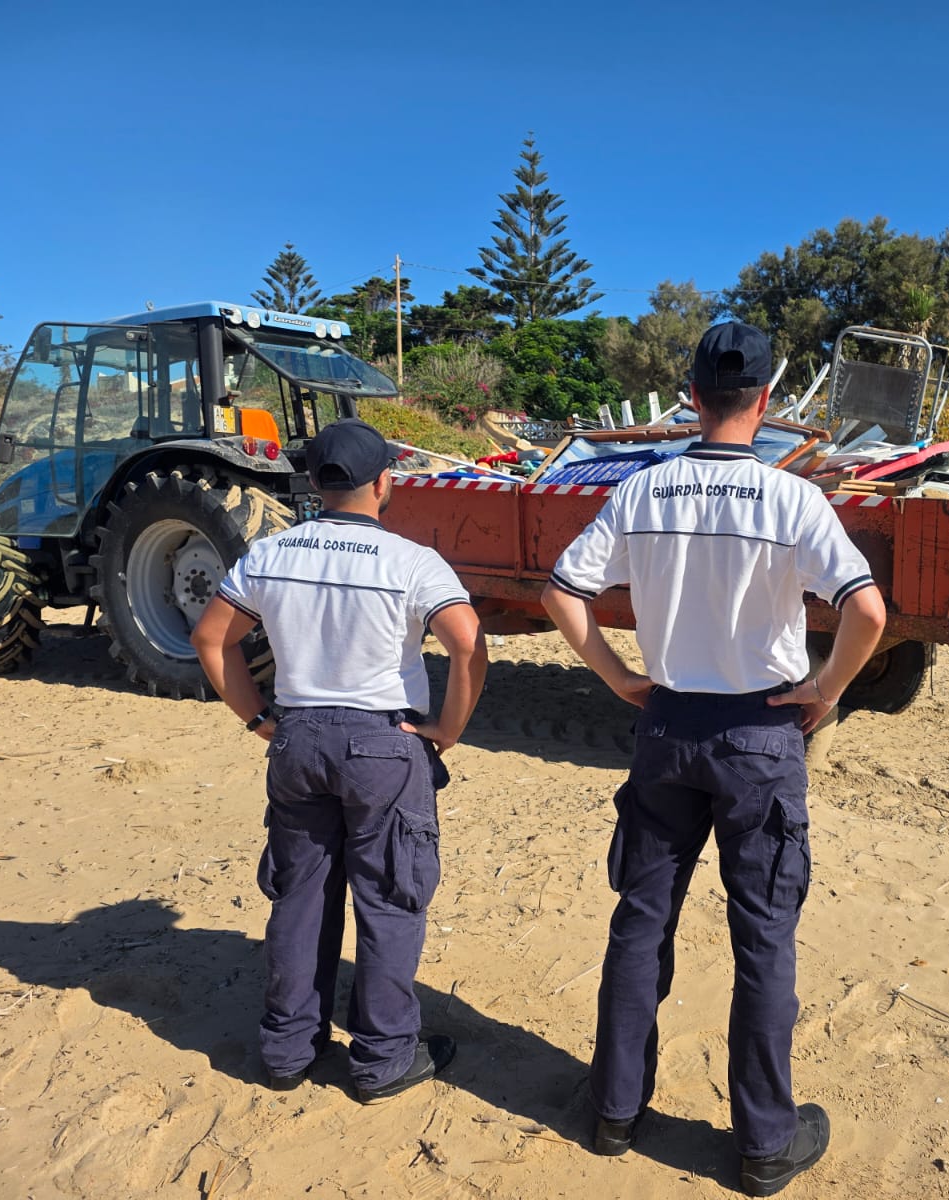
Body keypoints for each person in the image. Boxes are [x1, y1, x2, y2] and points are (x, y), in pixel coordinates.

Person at [541, 323, 887, 1196]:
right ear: (767, 401)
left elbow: (562, 589)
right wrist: (825, 689)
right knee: (763, 937)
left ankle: (615, 1109)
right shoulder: (793, 500)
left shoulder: (644, 492)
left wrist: (618, 674)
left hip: (666, 726)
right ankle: (764, 1142)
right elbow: (868, 612)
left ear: (691, 397)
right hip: (759, 737)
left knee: (641, 919)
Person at [191, 417, 487, 1103]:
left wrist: (259, 718)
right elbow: (468, 645)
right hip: (384, 746)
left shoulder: (271, 554)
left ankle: (288, 1048)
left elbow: (212, 639)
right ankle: (383, 1058)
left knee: (301, 897)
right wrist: (447, 727)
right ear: (384, 483)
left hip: (298, 740)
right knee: (388, 898)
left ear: (315, 483)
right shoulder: (412, 562)